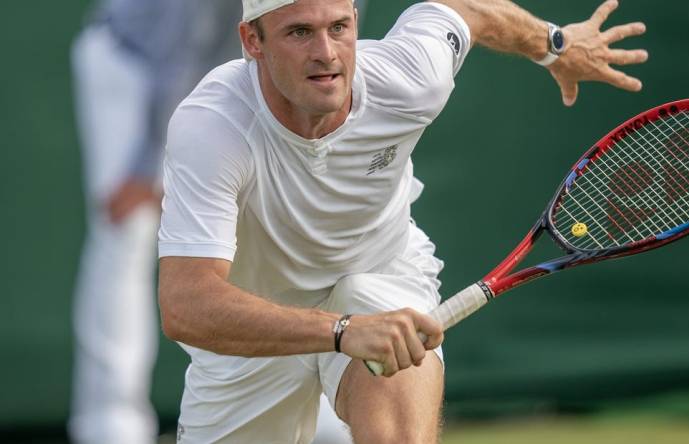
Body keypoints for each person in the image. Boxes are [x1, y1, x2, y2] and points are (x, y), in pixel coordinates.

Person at [157, 0, 647, 442]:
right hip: (260, 317)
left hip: (379, 277)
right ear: (252, 41)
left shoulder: (408, 78)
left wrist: (556, 46)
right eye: (299, 32)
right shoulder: (214, 126)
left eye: (340, 27)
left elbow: (469, 12)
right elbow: (186, 303)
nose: (326, 52)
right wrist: (341, 330)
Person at [70, 0, 359, 442]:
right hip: (134, 61)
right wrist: (146, 168)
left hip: (242, 67)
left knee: (267, 224)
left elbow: (335, 37)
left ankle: (307, 399)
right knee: (129, 231)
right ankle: (110, 422)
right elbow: (182, 50)